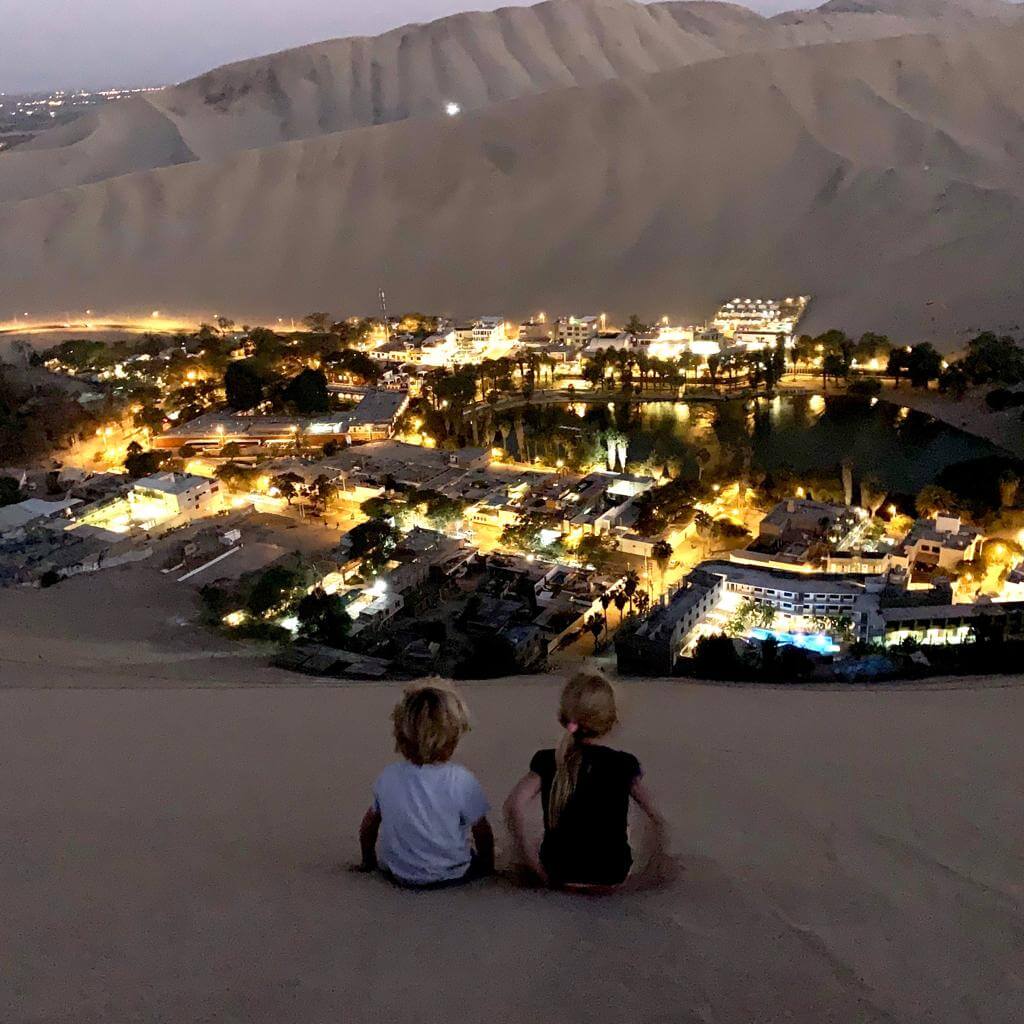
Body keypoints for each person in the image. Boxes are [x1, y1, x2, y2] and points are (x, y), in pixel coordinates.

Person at [504, 671, 666, 889]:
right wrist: (650, 867)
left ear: (564, 717)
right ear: (611, 720)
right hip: (610, 873)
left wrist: (531, 861)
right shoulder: (623, 764)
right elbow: (656, 815)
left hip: (558, 871)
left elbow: (514, 806)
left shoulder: (549, 760)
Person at [358, 680, 494, 888]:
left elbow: (368, 826)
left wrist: (368, 861)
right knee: (470, 852)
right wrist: (488, 865)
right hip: (450, 873)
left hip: (398, 872)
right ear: (453, 738)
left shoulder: (389, 776)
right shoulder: (461, 780)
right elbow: (482, 830)